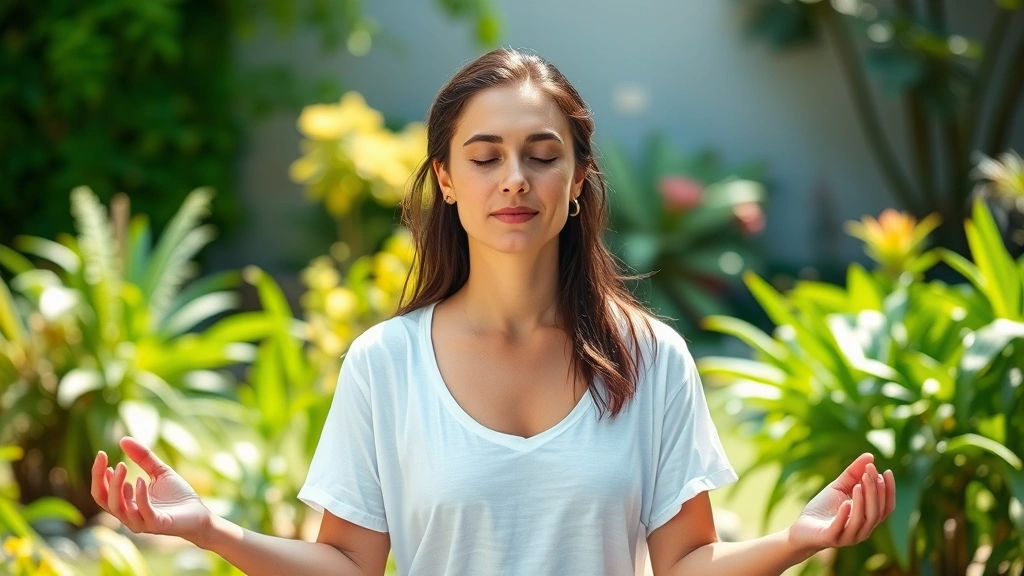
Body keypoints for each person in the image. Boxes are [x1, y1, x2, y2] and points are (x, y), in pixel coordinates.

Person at [90, 48, 896, 575]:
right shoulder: (386, 363)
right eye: (485, 157)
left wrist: (796, 542)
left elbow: (685, 564)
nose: (515, 179)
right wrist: (211, 531)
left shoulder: (649, 357)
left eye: (543, 156)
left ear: (578, 180)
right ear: (445, 178)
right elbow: (347, 565)